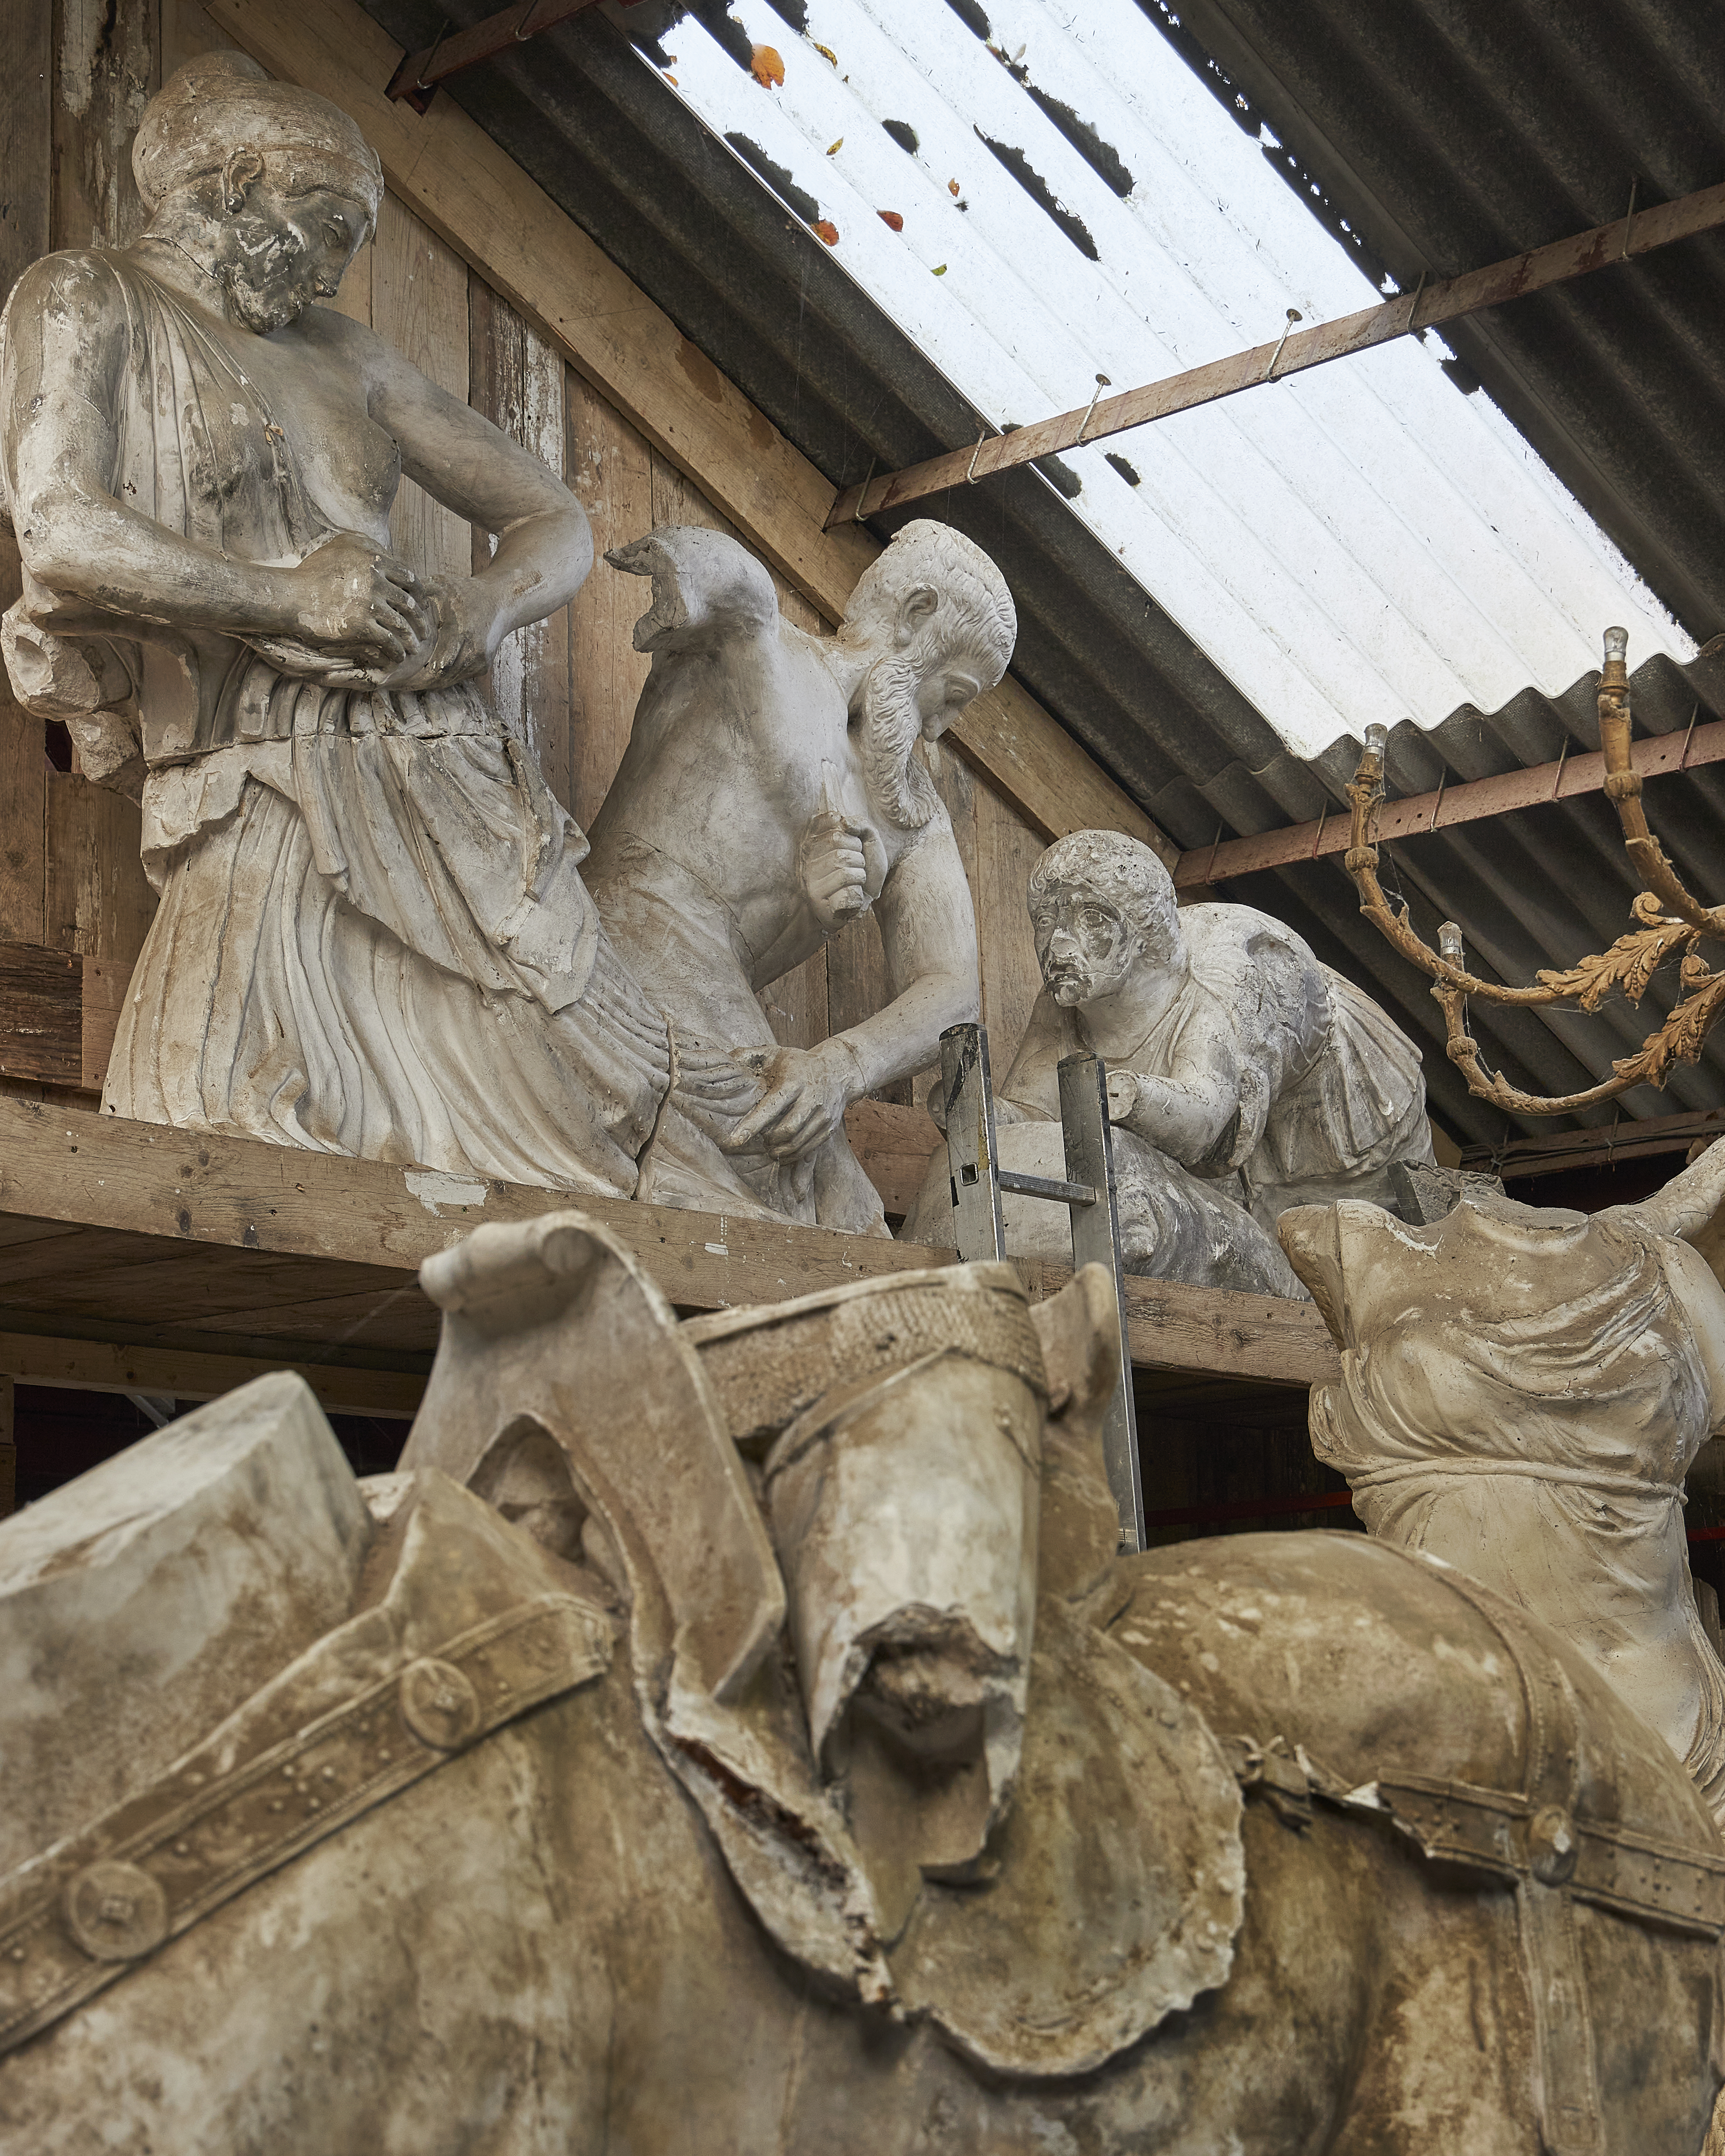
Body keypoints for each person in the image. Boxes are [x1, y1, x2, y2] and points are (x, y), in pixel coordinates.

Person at [0, 52, 669, 1192]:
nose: (335, 268)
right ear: (235, 185)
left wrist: (485, 606)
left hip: (440, 761)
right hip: (254, 775)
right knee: (221, 1122)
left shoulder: (349, 354)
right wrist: (292, 597)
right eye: (329, 229)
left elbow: (554, 517)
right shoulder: (85, 296)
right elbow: (59, 526)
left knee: (586, 1094)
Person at [584, 520, 1014, 1233]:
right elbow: (729, 580)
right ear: (916, 615)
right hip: (631, 936)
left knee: (850, 1210)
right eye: (955, 691)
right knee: (787, 1176)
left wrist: (840, 1066)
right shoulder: (762, 648)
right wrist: (695, 571)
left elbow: (953, 990)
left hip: (718, 993)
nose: (942, 726)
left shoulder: (910, 810)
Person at [1279, 1139, 1725, 1825]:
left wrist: (1649, 1222)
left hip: (1653, 1718)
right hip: (1450, 1720)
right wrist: (1649, 1218)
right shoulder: (1351, 1243)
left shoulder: (1668, 1272)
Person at [999, 829, 1434, 1231]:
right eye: (1046, 921)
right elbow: (1032, 1111)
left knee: (1381, 1244)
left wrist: (1133, 1096)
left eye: (1092, 919)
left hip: (1343, 1105)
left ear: (1140, 931)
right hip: (1240, 1147)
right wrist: (986, 1114)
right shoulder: (1065, 997)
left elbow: (1206, 1118)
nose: (1058, 943)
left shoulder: (1218, 981)